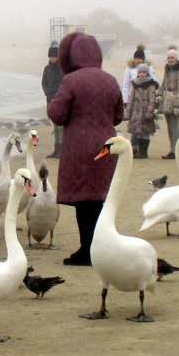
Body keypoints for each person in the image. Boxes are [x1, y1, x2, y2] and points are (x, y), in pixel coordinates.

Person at [46, 32, 123, 266]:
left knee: (84, 202)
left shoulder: (71, 80)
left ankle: (87, 250)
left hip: (79, 146)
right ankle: (98, 248)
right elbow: (118, 116)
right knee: (98, 200)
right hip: (106, 145)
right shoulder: (110, 79)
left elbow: (57, 114)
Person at [156, 49, 179, 159]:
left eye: (172, 57)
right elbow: (163, 83)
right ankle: (172, 150)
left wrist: (177, 104)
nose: (170, 59)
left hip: (175, 99)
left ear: (176, 59)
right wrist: (159, 94)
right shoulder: (167, 69)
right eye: (169, 57)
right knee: (169, 127)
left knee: (174, 127)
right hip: (167, 100)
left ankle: (175, 151)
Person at [121, 46, 156, 154]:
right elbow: (126, 85)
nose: (138, 60)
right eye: (136, 58)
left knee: (144, 127)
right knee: (134, 124)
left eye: (140, 58)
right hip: (133, 101)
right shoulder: (129, 69)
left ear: (143, 59)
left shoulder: (149, 69)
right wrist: (125, 100)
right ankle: (134, 146)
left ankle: (142, 150)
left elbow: (153, 85)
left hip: (145, 103)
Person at [126, 64, 159, 159]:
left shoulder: (151, 84)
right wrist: (128, 112)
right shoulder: (134, 83)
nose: (142, 74)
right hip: (136, 112)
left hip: (146, 111)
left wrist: (150, 112)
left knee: (146, 132)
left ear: (147, 73)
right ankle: (140, 152)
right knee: (138, 131)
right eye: (140, 72)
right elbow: (131, 98)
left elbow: (152, 100)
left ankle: (144, 152)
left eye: (144, 72)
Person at [41, 42, 65, 158]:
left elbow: (66, 83)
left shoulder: (63, 68)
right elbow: (43, 83)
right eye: (50, 56)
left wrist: (60, 95)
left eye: (54, 56)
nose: (52, 58)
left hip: (61, 100)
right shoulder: (47, 69)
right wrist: (48, 93)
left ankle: (61, 150)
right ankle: (56, 150)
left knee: (60, 126)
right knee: (55, 126)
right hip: (50, 100)